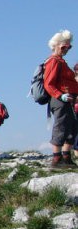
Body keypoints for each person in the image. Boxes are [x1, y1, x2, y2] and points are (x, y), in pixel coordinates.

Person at [43, 30, 78, 168]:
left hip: (68, 100)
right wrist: (60, 95)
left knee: (72, 127)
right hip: (60, 100)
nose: (66, 50)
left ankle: (66, 157)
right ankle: (56, 160)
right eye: (64, 47)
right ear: (56, 46)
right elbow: (48, 83)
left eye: (69, 47)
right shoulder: (54, 61)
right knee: (61, 126)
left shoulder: (61, 61)